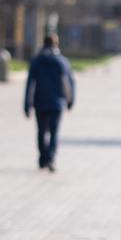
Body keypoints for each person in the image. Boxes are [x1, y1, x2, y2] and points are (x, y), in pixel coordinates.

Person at [24, 35, 76, 172]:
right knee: (54, 132)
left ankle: (42, 158)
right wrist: (70, 100)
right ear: (56, 44)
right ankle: (51, 159)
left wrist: (27, 104)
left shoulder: (36, 61)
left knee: (41, 131)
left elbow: (30, 85)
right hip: (56, 104)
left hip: (40, 103)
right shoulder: (62, 62)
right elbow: (68, 84)